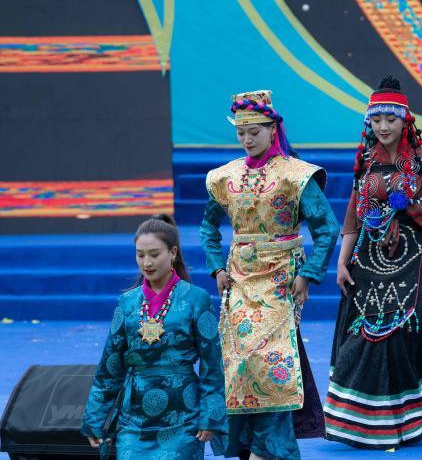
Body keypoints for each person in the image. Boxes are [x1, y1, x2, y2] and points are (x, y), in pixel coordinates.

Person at [326, 76, 422, 449]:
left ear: (404, 120)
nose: (383, 127)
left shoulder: (421, 162)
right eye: (377, 120)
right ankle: (363, 420)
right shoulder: (365, 161)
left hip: (413, 255)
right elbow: (354, 215)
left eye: (390, 119)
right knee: (364, 331)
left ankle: (406, 417)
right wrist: (342, 262)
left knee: (405, 330)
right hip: (369, 257)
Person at [200, 90, 339, 459]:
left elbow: (327, 227)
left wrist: (308, 274)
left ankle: (273, 448)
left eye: (254, 132)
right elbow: (208, 226)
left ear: (273, 129)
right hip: (239, 279)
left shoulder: (296, 176)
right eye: (241, 133)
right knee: (237, 362)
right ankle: (245, 445)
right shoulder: (225, 176)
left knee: (272, 360)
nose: (247, 139)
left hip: (280, 280)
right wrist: (216, 265)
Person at [81, 214, 226, 459]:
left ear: (173, 252)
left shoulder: (196, 298)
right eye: (140, 255)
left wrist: (210, 414)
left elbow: (212, 364)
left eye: (154, 254)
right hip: (133, 419)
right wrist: (94, 417)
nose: (146, 262)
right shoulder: (127, 303)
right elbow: (110, 366)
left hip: (183, 415)